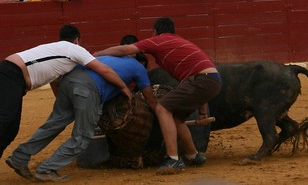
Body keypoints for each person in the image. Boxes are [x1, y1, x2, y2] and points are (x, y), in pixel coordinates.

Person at [0, 24, 131, 184]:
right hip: (12, 73)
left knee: (10, 129)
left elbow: (54, 80)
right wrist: (123, 86)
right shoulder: (74, 49)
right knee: (5, 113)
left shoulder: (57, 50)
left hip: (12, 75)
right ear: (77, 40)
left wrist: (61, 103)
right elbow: (105, 70)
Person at [95, 17, 222, 175]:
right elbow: (198, 77)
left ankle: (173, 159)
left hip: (201, 80)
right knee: (176, 119)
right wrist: (203, 111)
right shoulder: (180, 42)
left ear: (154, 32)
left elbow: (124, 50)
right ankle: (193, 155)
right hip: (212, 81)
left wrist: (97, 54)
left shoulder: (159, 41)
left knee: (162, 108)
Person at [5, 54, 156, 182]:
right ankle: (46, 169)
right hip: (88, 90)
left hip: (67, 82)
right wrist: (160, 112)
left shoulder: (108, 57)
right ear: (143, 63)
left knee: (53, 124)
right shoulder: (139, 68)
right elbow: (149, 99)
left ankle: (19, 157)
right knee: (82, 136)